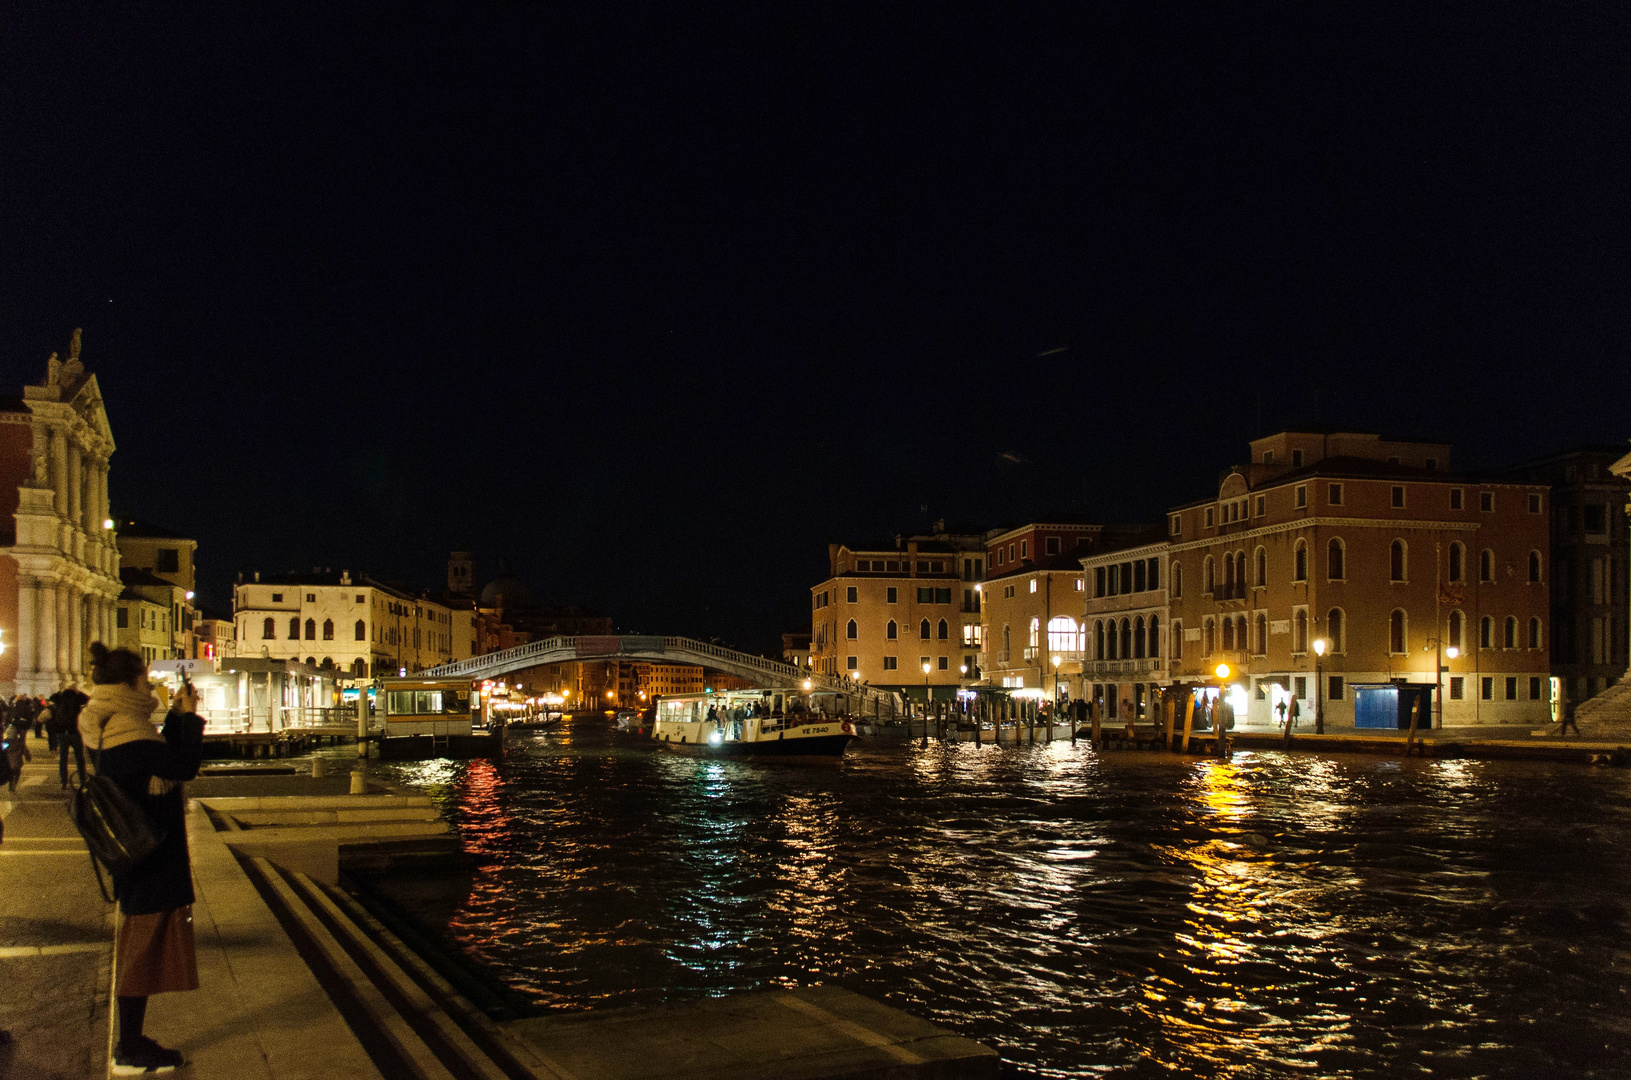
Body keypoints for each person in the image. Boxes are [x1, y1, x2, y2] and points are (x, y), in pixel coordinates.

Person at [80, 642, 204, 1075]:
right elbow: (182, 764)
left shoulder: (110, 723)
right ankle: (129, 1049)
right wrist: (187, 718)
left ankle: (132, 1041)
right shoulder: (130, 731)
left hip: (134, 853)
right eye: (145, 677)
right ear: (132, 682)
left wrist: (175, 719)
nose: (149, 683)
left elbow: (159, 759)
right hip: (150, 855)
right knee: (140, 950)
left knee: (142, 943)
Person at [49, 684, 89, 789]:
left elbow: (52, 697)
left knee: (63, 758)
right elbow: (87, 699)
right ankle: (82, 779)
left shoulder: (60, 698)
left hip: (62, 732)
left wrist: (61, 691)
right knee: (79, 758)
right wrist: (77, 691)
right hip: (75, 732)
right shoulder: (76, 698)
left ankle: (64, 781)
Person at [3, 714, 30, 793]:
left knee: (11, 774)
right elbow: (25, 751)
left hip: (8, 763)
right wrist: (28, 757)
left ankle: (11, 785)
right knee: (17, 773)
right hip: (17, 762)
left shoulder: (5, 743)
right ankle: (14, 785)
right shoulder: (19, 743)